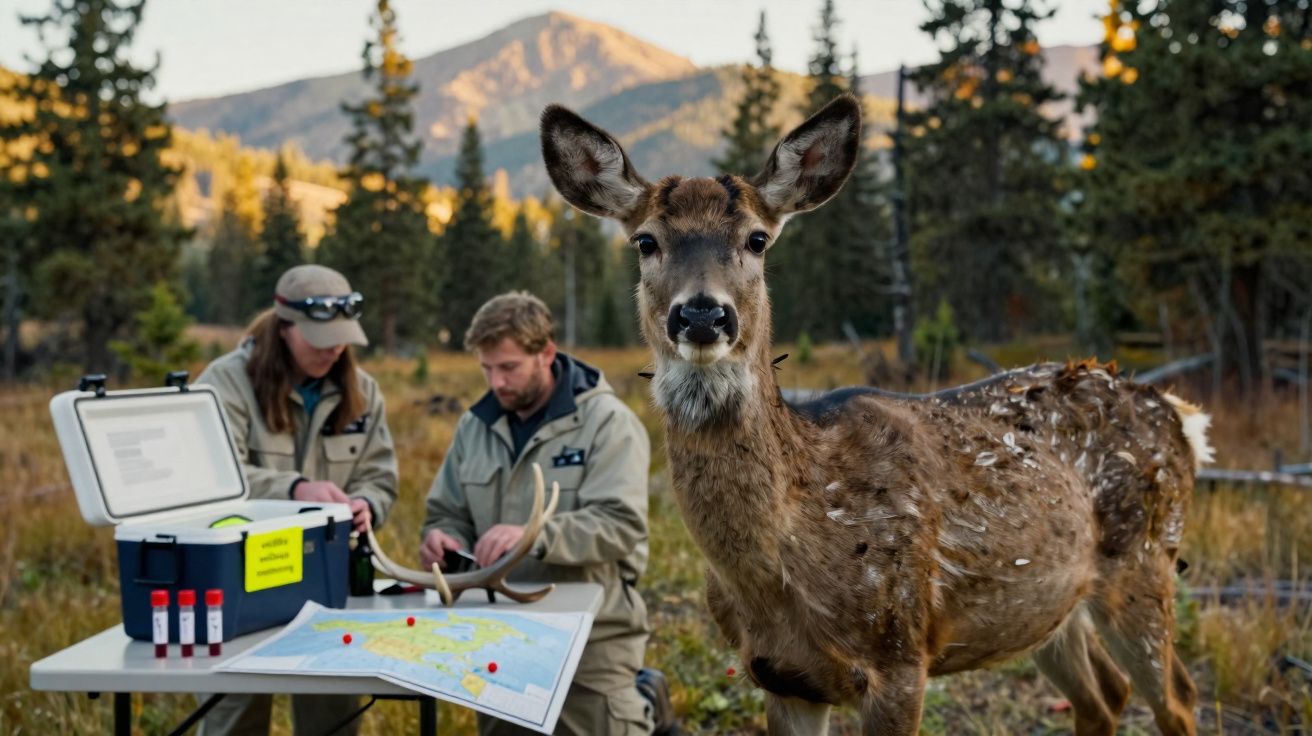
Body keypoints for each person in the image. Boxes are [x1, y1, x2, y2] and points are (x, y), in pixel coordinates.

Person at [421, 292, 674, 736]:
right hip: (496, 636)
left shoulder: (608, 424)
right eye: (487, 369)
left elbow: (621, 524)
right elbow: (446, 512)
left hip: (591, 640)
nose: (496, 383)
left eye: (508, 367)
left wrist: (534, 535)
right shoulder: (474, 427)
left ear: (546, 354)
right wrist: (443, 538)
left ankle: (648, 706)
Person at [196, 264, 398, 736]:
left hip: (330, 584)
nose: (333, 350)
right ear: (283, 329)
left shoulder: (363, 391)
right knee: (234, 713)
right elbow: (213, 481)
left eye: (342, 338)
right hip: (237, 581)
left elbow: (380, 476)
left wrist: (369, 504)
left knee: (333, 711)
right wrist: (294, 492)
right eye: (319, 339)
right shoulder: (224, 384)